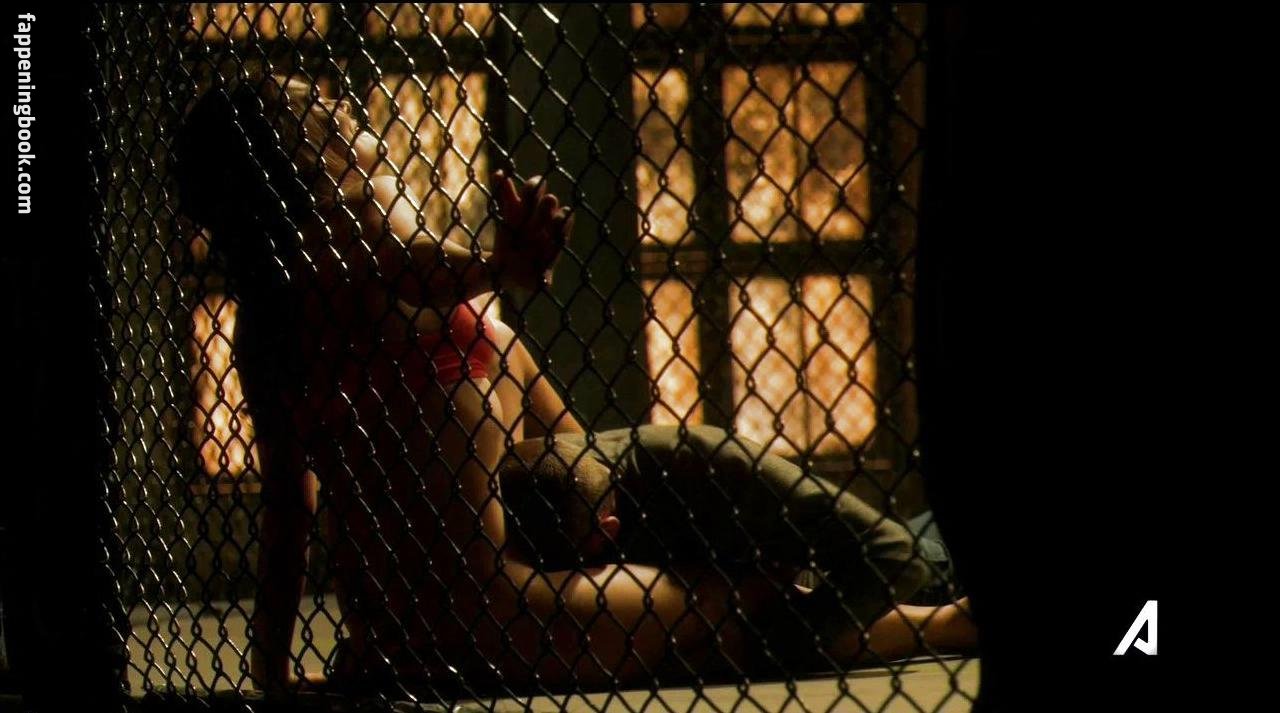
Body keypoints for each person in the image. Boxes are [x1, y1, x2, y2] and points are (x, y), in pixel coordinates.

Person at [170, 73, 787, 698]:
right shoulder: (357, 236)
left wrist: (271, 673)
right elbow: (410, 262)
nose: (340, 105)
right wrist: (497, 268)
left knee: (659, 538)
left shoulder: (268, 324)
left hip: (401, 636)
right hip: (511, 622)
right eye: (318, 105)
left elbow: (289, 512)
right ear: (305, 153)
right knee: (746, 599)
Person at [498, 426, 976, 671]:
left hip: (927, 570)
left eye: (584, 557)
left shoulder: (716, 471)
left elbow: (897, 557)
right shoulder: (555, 472)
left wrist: (782, 643)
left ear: (609, 529)